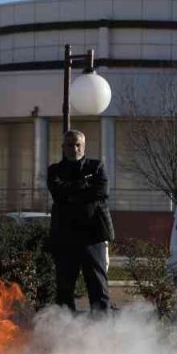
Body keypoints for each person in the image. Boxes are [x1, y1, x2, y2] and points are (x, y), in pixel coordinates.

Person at [47, 129, 114, 313]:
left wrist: (71, 192)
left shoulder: (97, 167)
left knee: (98, 287)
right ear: (63, 147)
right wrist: (85, 189)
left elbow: (102, 192)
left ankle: (102, 331)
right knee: (64, 289)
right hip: (65, 237)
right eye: (70, 145)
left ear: (84, 147)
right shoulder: (55, 170)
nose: (74, 148)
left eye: (78, 145)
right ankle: (65, 332)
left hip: (93, 236)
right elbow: (58, 193)